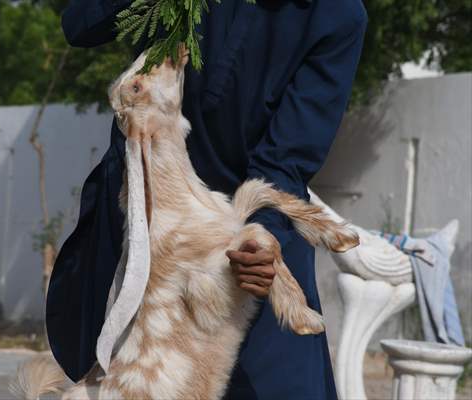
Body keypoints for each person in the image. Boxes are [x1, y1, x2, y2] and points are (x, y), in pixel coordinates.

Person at [46, 0, 367, 398]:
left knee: (274, 386)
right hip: (145, 231)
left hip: (247, 235)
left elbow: (284, 159)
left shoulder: (336, 15)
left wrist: (258, 243)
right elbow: (80, 25)